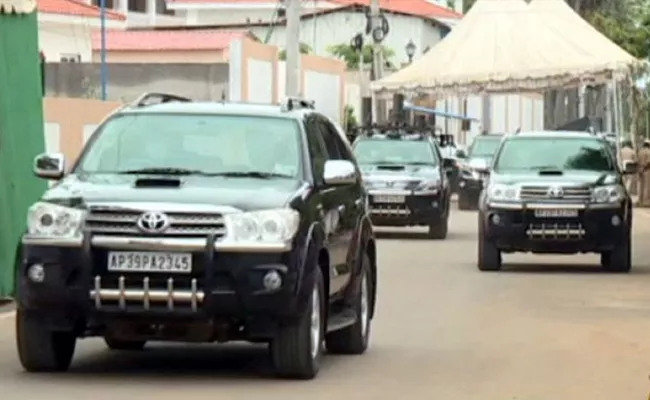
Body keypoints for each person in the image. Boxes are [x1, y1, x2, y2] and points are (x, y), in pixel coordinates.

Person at [636, 140, 650, 207]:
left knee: (640, 186)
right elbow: (648, 162)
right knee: (647, 186)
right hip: (647, 170)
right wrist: (644, 168)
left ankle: (639, 200)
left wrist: (640, 169)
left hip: (639, 169)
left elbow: (636, 161)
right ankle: (645, 202)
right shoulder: (649, 151)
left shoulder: (640, 151)